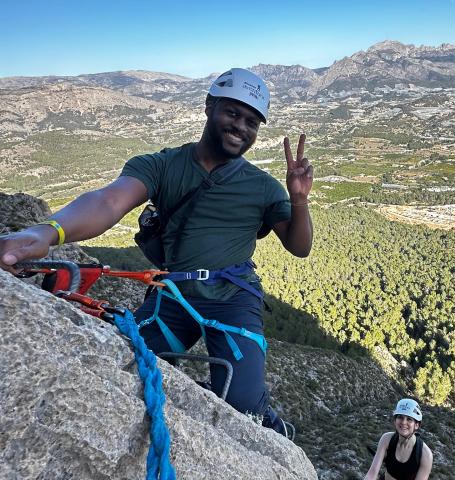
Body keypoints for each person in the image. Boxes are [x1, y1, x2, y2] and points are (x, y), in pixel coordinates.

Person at [0, 67, 313, 439]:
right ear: (209, 106)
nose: (241, 127)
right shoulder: (162, 165)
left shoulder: (262, 187)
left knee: (244, 405)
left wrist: (298, 200)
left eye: (251, 121)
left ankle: (270, 421)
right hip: (174, 296)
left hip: (233, 298)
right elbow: (108, 201)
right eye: (232, 112)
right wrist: (48, 231)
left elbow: (299, 246)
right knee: (121, 364)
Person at [365, 398, 433, 480]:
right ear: (395, 421)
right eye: (400, 417)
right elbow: (372, 474)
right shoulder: (387, 439)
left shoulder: (425, 454)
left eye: (409, 419)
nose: (404, 422)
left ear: (417, 425)